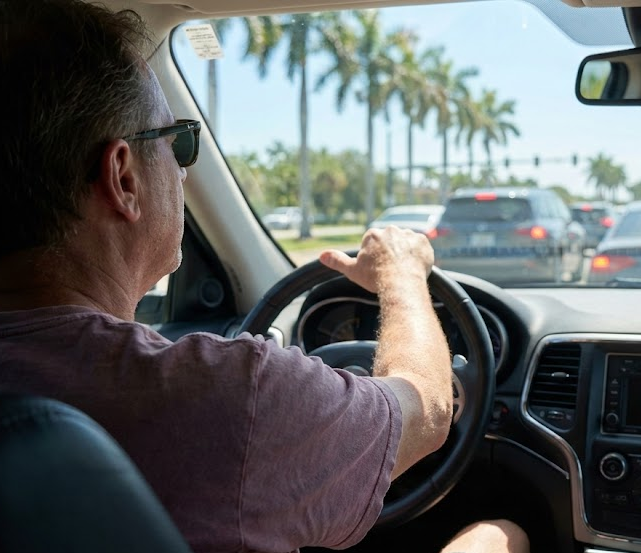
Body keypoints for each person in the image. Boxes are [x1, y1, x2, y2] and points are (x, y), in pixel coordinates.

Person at [0, 1, 528, 552]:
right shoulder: (227, 395)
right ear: (124, 178)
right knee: (500, 532)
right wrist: (402, 274)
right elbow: (428, 410)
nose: (184, 168)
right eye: (178, 141)